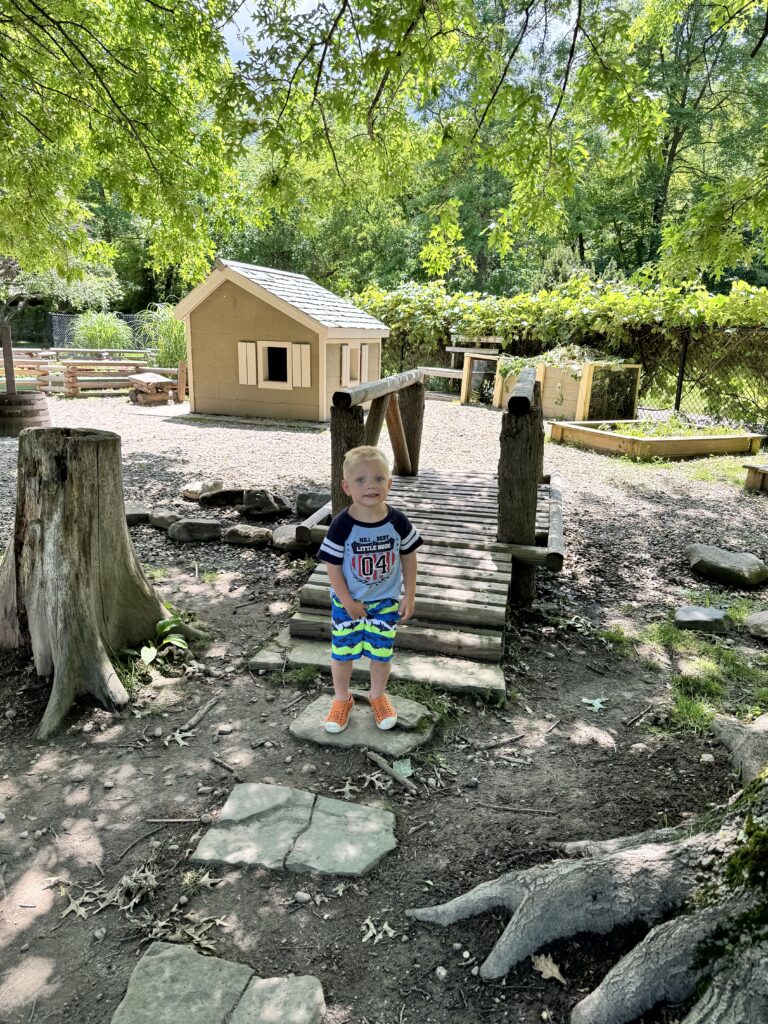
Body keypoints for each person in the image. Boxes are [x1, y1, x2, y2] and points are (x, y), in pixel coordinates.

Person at [318, 445, 422, 733]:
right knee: (343, 654)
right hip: (347, 604)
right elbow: (333, 567)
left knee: (381, 654)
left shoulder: (397, 521)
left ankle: (377, 696)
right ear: (346, 486)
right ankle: (343, 699)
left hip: (385, 603)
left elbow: (409, 555)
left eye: (378, 478)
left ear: (389, 483)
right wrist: (348, 601)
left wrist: (410, 593)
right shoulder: (342, 525)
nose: (370, 486)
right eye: (361, 480)